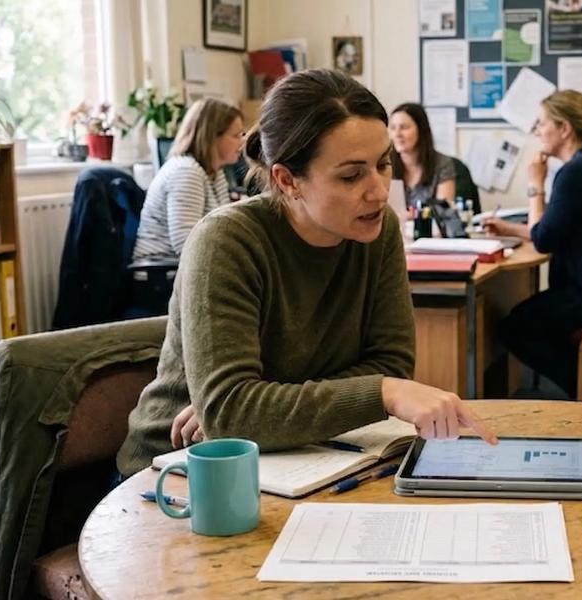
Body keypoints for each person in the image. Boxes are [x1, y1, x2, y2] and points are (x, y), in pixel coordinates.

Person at [116, 69, 496, 476]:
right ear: (287, 179)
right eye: (351, 175)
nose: (380, 191)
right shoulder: (226, 241)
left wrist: (264, 406)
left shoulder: (377, 227)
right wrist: (380, 393)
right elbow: (231, 413)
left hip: (302, 456)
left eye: (384, 164)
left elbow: (390, 362)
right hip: (175, 471)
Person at [484, 90, 582, 399]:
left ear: (564, 128)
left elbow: (544, 239)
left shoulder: (576, 172)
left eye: (542, 123)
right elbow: (555, 230)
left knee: (516, 328)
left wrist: (535, 184)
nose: (537, 130)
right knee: (534, 319)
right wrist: (509, 229)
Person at [132, 98, 245, 262]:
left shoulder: (214, 172)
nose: (242, 142)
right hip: (162, 272)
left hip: (185, 268)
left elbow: (223, 229)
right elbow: (186, 245)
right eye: (236, 135)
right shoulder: (186, 172)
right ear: (212, 137)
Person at [389, 102, 456, 210]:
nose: (397, 134)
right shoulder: (385, 164)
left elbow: (443, 212)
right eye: (392, 128)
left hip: (428, 226)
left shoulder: (442, 164)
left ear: (421, 130)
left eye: (404, 127)